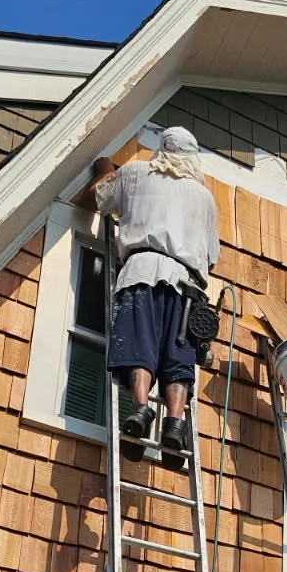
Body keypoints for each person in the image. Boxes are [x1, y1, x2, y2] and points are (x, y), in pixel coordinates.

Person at [84, 126, 220, 470]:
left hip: (141, 272)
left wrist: (104, 169)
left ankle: (142, 409)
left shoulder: (136, 173)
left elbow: (95, 197)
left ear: (163, 150)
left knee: (138, 348)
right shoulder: (204, 198)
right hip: (187, 288)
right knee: (178, 358)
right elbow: (213, 258)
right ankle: (174, 422)